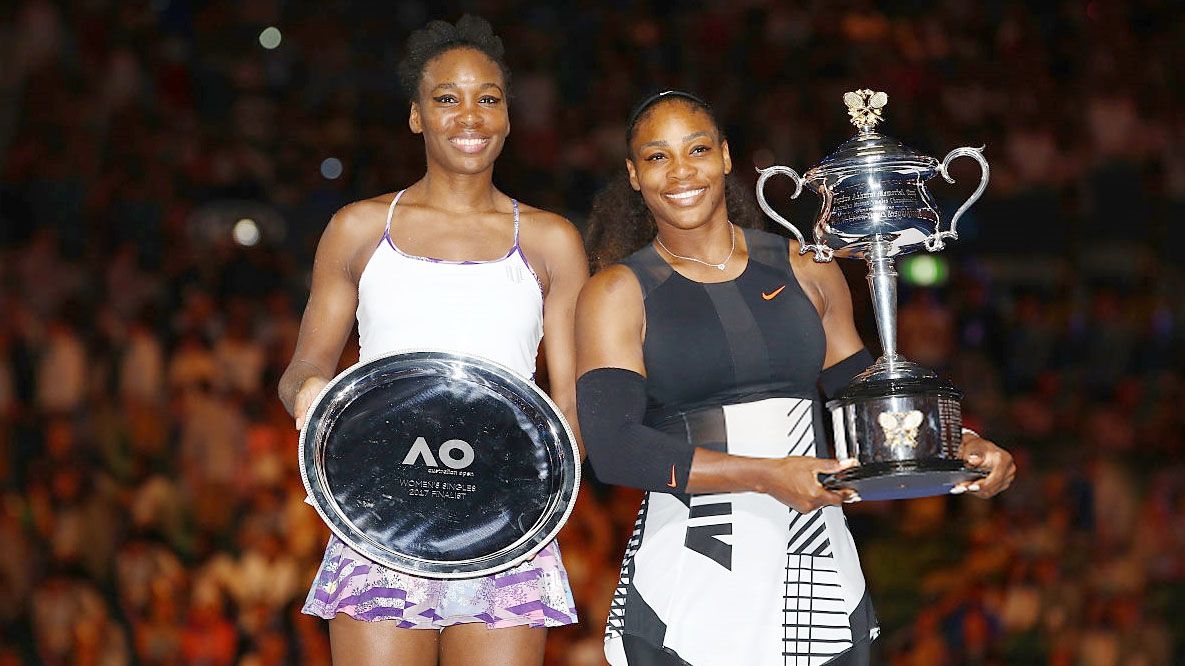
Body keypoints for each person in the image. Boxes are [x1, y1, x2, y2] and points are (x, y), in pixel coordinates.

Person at [574, 90, 1016, 666]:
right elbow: (615, 448)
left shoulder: (807, 266)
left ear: (726, 158)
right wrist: (766, 476)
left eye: (698, 149)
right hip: (693, 575)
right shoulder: (616, 292)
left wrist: (959, 442)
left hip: (818, 565)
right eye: (657, 157)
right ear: (634, 175)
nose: (681, 171)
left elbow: (864, 391)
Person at [277, 16, 587, 666]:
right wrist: (310, 393)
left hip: (505, 526)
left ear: (507, 116)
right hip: (379, 519)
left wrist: (540, 487)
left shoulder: (551, 239)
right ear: (417, 116)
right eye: (446, 98)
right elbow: (305, 363)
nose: (468, 115)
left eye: (487, 98)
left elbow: (570, 400)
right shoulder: (357, 228)